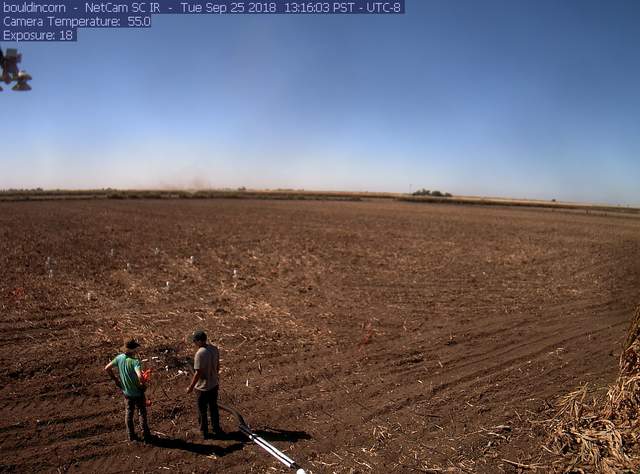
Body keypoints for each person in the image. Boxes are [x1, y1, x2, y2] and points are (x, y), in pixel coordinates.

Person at [104, 339, 151, 442]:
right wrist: (143, 383)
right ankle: (146, 435)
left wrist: (116, 380)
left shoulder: (119, 358)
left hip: (126, 392)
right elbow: (139, 376)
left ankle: (131, 435)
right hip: (138, 393)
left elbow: (107, 368)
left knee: (129, 413)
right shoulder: (135, 362)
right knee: (141, 413)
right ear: (133, 349)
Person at [187, 330, 223, 439]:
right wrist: (215, 377)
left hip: (202, 387)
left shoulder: (200, 353)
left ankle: (204, 432)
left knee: (202, 410)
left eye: (195, 341)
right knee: (213, 407)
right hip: (214, 384)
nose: (194, 343)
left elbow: (198, 373)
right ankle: (216, 428)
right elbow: (217, 365)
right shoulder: (214, 349)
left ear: (199, 341)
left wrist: (191, 387)